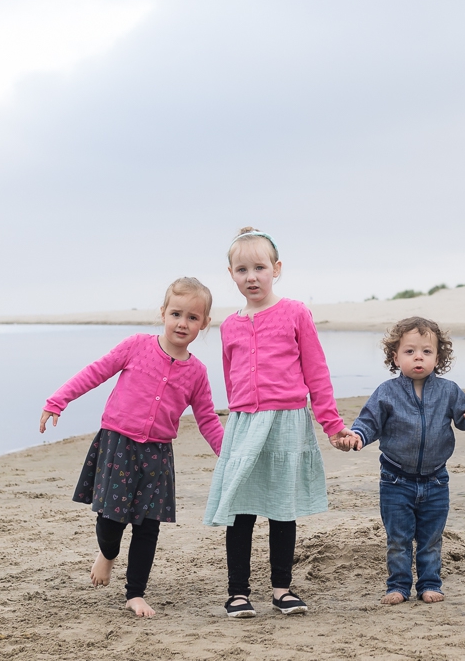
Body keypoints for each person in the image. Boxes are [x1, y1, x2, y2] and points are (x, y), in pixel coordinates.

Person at [40, 277, 224, 617]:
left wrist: (227, 455)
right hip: (118, 446)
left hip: (157, 456)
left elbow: (208, 419)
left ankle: (135, 593)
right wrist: (58, 401)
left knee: (147, 527)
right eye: (176, 314)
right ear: (163, 313)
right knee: (110, 522)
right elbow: (95, 372)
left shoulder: (197, 372)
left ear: (205, 323)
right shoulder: (136, 345)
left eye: (192, 318)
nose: (182, 323)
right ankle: (108, 554)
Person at [203, 227, 352, 618]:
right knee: (240, 508)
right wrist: (234, 424)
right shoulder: (229, 325)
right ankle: (237, 593)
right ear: (231, 274)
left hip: (287, 421)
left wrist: (331, 424)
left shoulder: (295, 312)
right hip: (245, 422)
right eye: (241, 270)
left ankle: (282, 589)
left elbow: (316, 371)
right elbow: (231, 375)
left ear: (276, 269)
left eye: (259, 268)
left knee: (282, 509)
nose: (251, 277)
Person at [338, 317, 465, 604]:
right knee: (398, 539)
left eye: (426, 351)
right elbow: (368, 423)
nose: (418, 357)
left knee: (431, 538)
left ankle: (430, 584)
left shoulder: (448, 391)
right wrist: (356, 436)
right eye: (409, 351)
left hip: (436, 480)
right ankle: (398, 586)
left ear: (438, 358)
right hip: (395, 480)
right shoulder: (387, 392)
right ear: (395, 357)